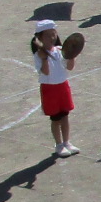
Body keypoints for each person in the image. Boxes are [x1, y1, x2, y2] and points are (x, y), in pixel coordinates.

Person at [31, 20, 79, 157]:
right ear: (39, 38)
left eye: (53, 34)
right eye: (47, 36)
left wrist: (72, 56)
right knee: (55, 118)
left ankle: (67, 142)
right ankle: (58, 144)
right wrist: (45, 58)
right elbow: (45, 72)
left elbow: (69, 67)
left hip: (63, 86)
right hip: (50, 89)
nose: (52, 38)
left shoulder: (60, 51)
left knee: (65, 116)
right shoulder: (38, 55)